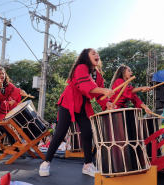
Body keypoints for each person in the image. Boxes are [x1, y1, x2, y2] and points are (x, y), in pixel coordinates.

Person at [39, 48, 115, 177]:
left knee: (87, 133)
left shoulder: (97, 74)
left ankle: (88, 164)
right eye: (93, 53)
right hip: (69, 101)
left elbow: (98, 94)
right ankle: (46, 162)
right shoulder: (81, 67)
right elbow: (88, 86)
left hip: (83, 104)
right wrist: (103, 91)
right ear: (86, 57)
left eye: (97, 53)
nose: (97, 55)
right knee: (60, 133)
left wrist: (106, 102)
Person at [0, 67, 27, 148]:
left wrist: (21, 91)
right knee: (5, 126)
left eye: (3, 73)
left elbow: (15, 90)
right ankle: (14, 145)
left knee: (6, 125)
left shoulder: (8, 85)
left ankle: (15, 145)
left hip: (3, 107)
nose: (2, 75)